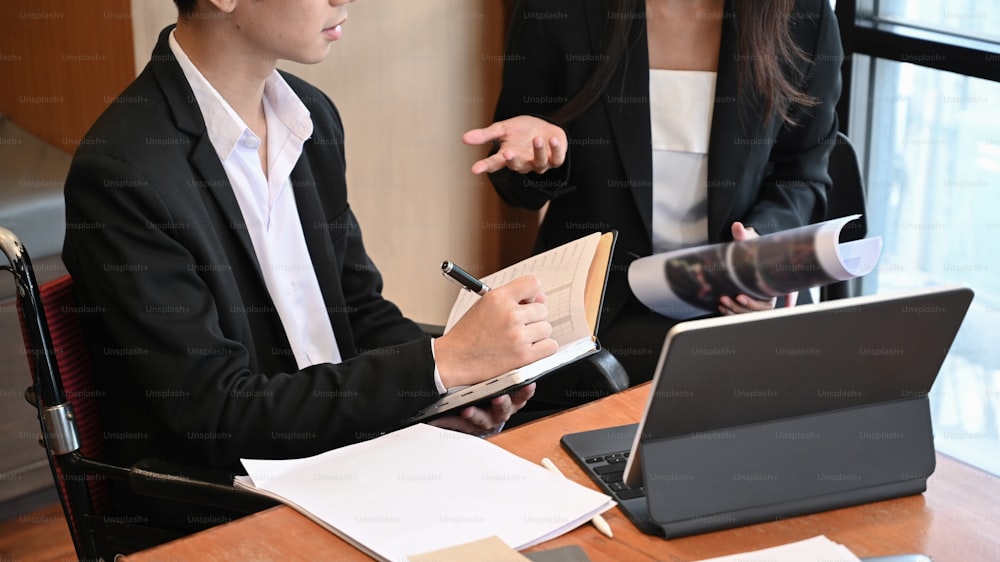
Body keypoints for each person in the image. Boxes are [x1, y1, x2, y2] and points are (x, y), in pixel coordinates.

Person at [61, 0, 556, 531]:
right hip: (233, 499)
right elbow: (215, 414)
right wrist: (439, 363)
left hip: (350, 456)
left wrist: (452, 391)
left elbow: (359, 310)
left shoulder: (309, 114)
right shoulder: (123, 171)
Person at [463, 0, 843, 392]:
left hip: (736, 300)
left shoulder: (802, 15)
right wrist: (539, 159)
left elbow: (803, 176)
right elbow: (514, 184)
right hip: (596, 312)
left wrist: (762, 254)